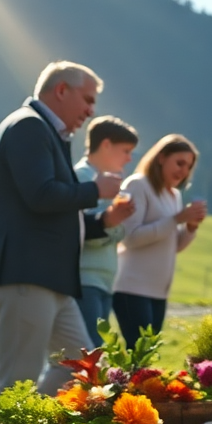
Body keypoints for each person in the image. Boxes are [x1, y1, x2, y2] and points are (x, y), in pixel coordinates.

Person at [0, 62, 130, 399]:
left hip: (49, 278)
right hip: (28, 273)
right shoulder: (28, 127)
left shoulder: (43, 131)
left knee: (82, 368)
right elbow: (41, 195)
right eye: (88, 100)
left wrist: (103, 222)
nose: (91, 111)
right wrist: (95, 190)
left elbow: (53, 212)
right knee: (15, 380)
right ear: (62, 90)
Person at [113, 135, 205, 346]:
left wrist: (190, 227)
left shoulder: (174, 195)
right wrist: (176, 219)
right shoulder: (138, 185)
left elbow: (174, 246)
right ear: (161, 157)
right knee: (139, 358)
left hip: (158, 292)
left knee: (147, 358)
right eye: (179, 163)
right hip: (132, 288)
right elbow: (130, 238)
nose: (183, 171)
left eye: (188, 167)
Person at [74, 116, 139, 345]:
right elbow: (76, 229)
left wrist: (116, 222)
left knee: (95, 350)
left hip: (104, 278)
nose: (129, 158)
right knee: (86, 352)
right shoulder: (81, 178)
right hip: (84, 276)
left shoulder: (110, 184)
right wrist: (110, 222)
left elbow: (116, 229)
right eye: (126, 150)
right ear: (106, 144)